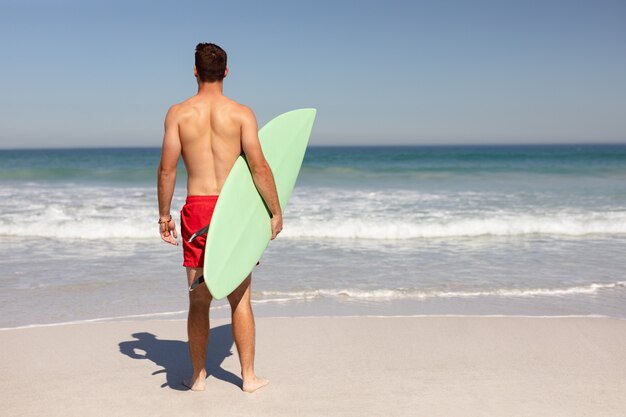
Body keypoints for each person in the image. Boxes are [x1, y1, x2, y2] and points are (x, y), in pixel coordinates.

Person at [157, 43, 282, 393]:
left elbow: (167, 169)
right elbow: (259, 166)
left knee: (198, 298)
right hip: (232, 211)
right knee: (239, 298)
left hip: (197, 210)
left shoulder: (178, 114)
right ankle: (248, 378)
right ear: (227, 72)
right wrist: (274, 210)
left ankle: (198, 377)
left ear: (194, 71)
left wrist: (164, 215)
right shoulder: (241, 114)